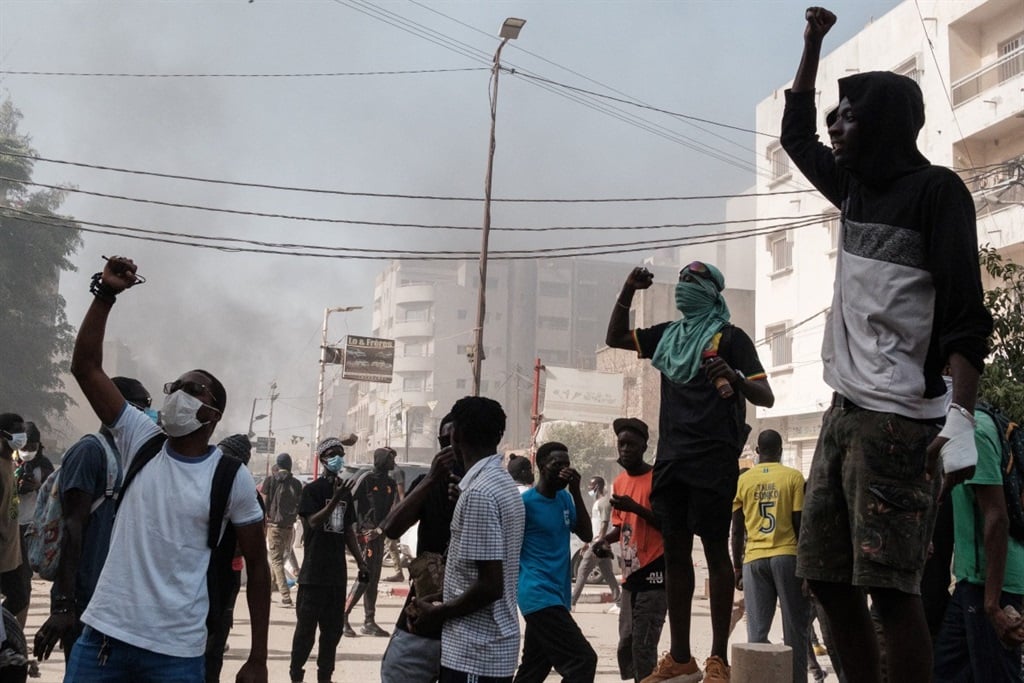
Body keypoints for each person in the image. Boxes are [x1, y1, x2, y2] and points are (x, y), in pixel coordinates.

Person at [783, 8, 994, 682]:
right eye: (834, 113)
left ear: (882, 121)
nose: (832, 125)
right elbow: (794, 131)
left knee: (893, 590)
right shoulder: (853, 190)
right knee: (826, 579)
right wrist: (812, 44)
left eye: (846, 114)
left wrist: (961, 415)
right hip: (843, 413)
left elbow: (966, 314)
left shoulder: (937, 193)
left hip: (903, 421)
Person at [63, 255, 270, 682]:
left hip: (175, 655)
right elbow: (85, 367)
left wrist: (259, 657)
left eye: (191, 390)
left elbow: (259, 564)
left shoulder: (231, 477)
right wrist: (105, 295)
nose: (177, 394)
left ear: (213, 414)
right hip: (103, 639)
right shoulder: (141, 439)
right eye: (174, 387)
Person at [606, 261, 774, 683]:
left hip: (715, 459)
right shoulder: (669, 336)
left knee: (716, 551)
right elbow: (614, 337)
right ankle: (680, 657)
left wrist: (735, 378)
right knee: (676, 553)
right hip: (673, 459)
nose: (682, 288)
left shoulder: (731, 338)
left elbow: (765, 395)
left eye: (691, 282)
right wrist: (628, 289)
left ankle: (717, 657)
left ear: (711, 291)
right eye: (679, 281)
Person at [32, 377, 153, 661]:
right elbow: (73, 528)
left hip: (112, 596)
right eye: (143, 406)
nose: (148, 415)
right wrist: (63, 605)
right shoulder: (90, 452)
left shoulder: (125, 455)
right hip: (85, 596)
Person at [407, 396, 525, 683]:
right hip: (485, 648)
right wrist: (441, 597)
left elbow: (490, 585)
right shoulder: (501, 482)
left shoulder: (479, 493)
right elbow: (477, 575)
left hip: (476, 652)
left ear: (456, 435)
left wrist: (439, 613)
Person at [932, 405, 1024, 680]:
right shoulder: (961, 432)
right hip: (970, 582)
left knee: (997, 674)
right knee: (947, 672)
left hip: (992, 584)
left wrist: (992, 604)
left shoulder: (975, 433)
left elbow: (997, 518)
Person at [379, 414, 463, 683]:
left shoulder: (486, 488)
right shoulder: (429, 484)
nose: (449, 448)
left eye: (455, 440)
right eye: (443, 441)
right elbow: (391, 528)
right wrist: (430, 479)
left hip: (467, 616)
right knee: (397, 672)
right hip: (425, 606)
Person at [513, 441, 596, 682]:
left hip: (557, 594)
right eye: (556, 464)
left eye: (567, 464)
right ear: (540, 466)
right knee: (583, 660)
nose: (564, 470)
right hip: (538, 594)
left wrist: (576, 491)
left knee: (534, 667)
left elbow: (586, 535)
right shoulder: (525, 504)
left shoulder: (565, 499)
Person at [288, 437, 368, 683]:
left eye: (341, 454)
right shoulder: (312, 491)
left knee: (331, 633)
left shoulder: (345, 492)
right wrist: (335, 500)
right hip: (313, 575)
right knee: (305, 633)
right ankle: (296, 674)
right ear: (323, 459)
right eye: (333, 454)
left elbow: (347, 532)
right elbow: (312, 522)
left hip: (336, 576)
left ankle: (325, 676)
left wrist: (361, 562)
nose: (338, 458)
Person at [731, 430, 808, 683]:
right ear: (780, 450)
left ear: (757, 452)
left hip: (753, 560)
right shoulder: (793, 477)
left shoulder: (744, 480)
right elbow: (799, 524)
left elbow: (737, 529)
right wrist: (806, 567)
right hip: (787, 556)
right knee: (795, 629)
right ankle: (797, 679)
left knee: (757, 631)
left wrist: (737, 568)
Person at [593, 417, 666, 682]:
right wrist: (605, 542)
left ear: (644, 446)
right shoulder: (620, 483)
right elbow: (622, 526)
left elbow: (667, 524)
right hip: (630, 576)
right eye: (621, 444)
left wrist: (634, 507)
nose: (624, 449)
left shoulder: (657, 478)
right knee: (626, 644)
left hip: (655, 572)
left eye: (631, 444)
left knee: (643, 645)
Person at [205, 432, 260, 683]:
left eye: (223, 453)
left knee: (214, 644)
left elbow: (252, 547)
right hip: (200, 574)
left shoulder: (245, 490)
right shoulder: (205, 481)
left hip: (224, 576)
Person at [344, 446, 399, 638]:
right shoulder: (367, 479)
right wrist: (355, 529)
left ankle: (369, 621)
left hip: (379, 535)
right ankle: (343, 616)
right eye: (391, 459)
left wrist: (381, 530)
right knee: (364, 578)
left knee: (373, 580)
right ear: (382, 460)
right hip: (365, 537)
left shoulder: (391, 483)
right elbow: (348, 501)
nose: (394, 462)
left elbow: (392, 511)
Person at [13, 422, 54, 628]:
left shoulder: (44, 467)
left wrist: (36, 487)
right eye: (24, 448)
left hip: (30, 528)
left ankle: (18, 629)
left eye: (32, 448)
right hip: (8, 526)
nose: (27, 452)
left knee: (24, 581)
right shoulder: (8, 462)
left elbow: (52, 499)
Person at [260, 452, 303, 607]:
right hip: (290, 527)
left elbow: (263, 503)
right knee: (278, 558)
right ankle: (267, 592)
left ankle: (285, 595)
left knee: (276, 560)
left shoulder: (271, 480)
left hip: (274, 526)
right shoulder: (297, 484)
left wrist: (264, 522)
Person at [571, 476, 621, 609]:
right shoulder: (597, 502)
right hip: (597, 542)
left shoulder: (604, 502)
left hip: (598, 544)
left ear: (597, 486)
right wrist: (587, 542)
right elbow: (596, 525)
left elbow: (604, 523)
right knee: (608, 574)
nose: (589, 488)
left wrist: (599, 542)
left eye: (591, 486)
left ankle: (572, 603)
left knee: (582, 570)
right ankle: (619, 602)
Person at [0, 415, 28, 630]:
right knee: (18, 595)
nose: (22, 436)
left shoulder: (11, 463)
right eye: (17, 431)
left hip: (12, 550)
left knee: (20, 596)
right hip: (3, 549)